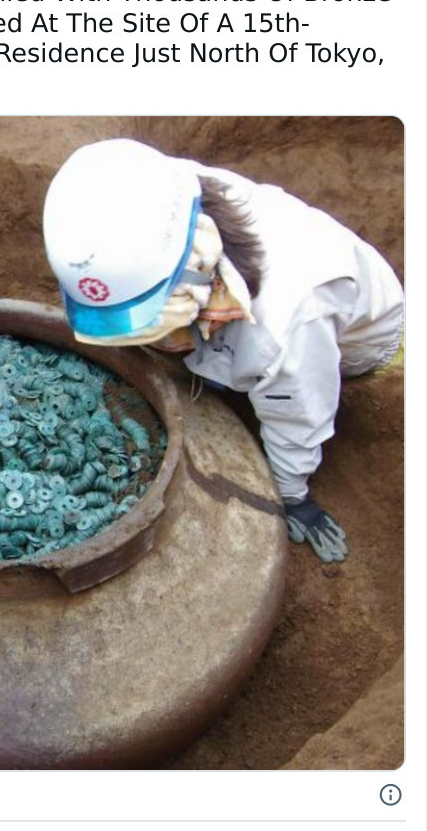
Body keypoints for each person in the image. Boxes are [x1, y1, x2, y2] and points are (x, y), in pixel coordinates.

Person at [42, 138, 404, 563]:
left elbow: (300, 413)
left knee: (281, 385)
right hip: (255, 316)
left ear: (195, 277)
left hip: (364, 341)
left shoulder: (287, 324)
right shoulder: (148, 202)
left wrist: (292, 494)